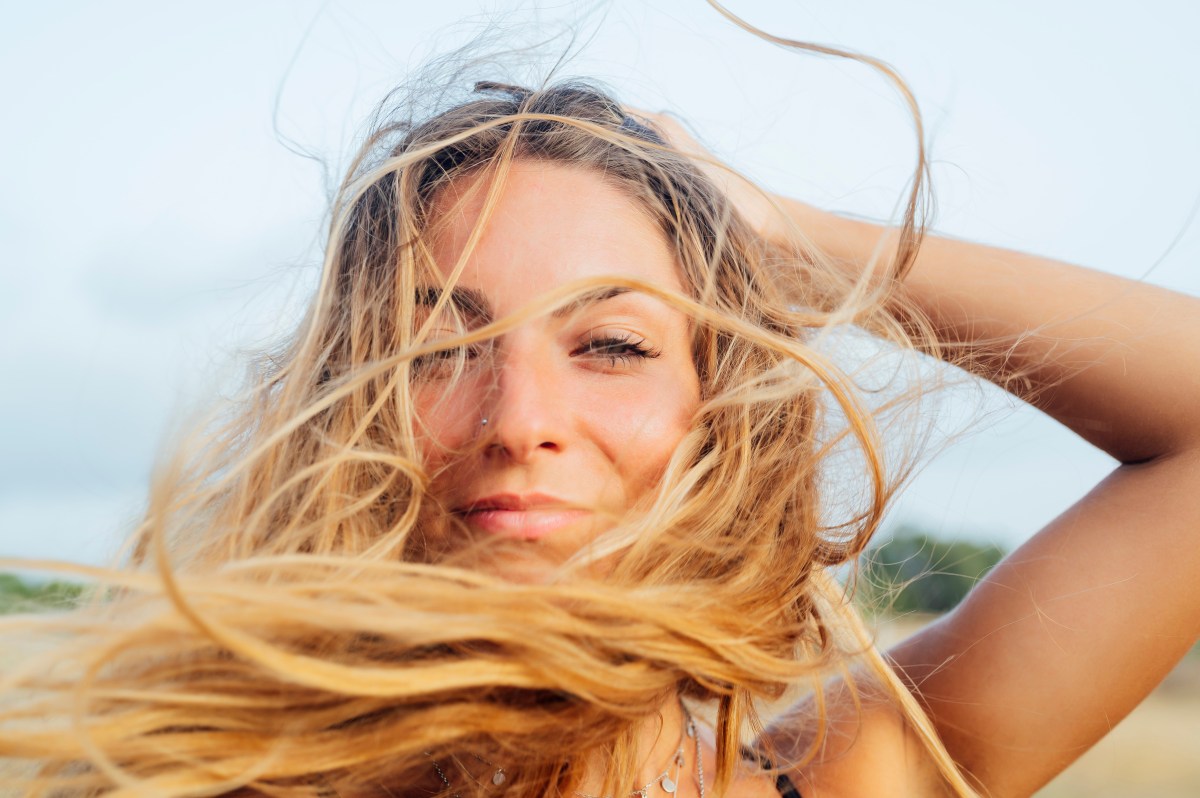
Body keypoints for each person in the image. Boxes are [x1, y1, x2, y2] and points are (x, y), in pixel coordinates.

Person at [3, 13, 1199, 798]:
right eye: (436, 346)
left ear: (718, 419)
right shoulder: (216, 782)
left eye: (614, 342)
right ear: (346, 413)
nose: (519, 415)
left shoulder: (855, 776)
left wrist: (802, 246)